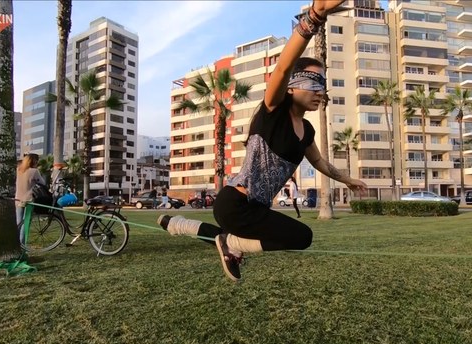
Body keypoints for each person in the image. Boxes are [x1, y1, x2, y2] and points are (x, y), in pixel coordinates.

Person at [157, 0, 367, 282]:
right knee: (301, 236)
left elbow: (318, 162)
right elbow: (281, 69)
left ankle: (179, 225)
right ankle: (229, 244)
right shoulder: (272, 112)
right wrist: (314, 17)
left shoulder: (306, 129)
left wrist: (348, 180)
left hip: (256, 209)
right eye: (315, 84)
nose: (321, 92)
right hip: (236, 203)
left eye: (324, 86)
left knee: (282, 236)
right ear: (293, 87)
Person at [15, 153, 45, 243]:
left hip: (18, 199)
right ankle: (22, 244)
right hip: (29, 199)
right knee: (26, 223)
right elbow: (42, 183)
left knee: (19, 222)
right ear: (34, 161)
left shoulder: (18, 170)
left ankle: (16, 243)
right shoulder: (34, 171)